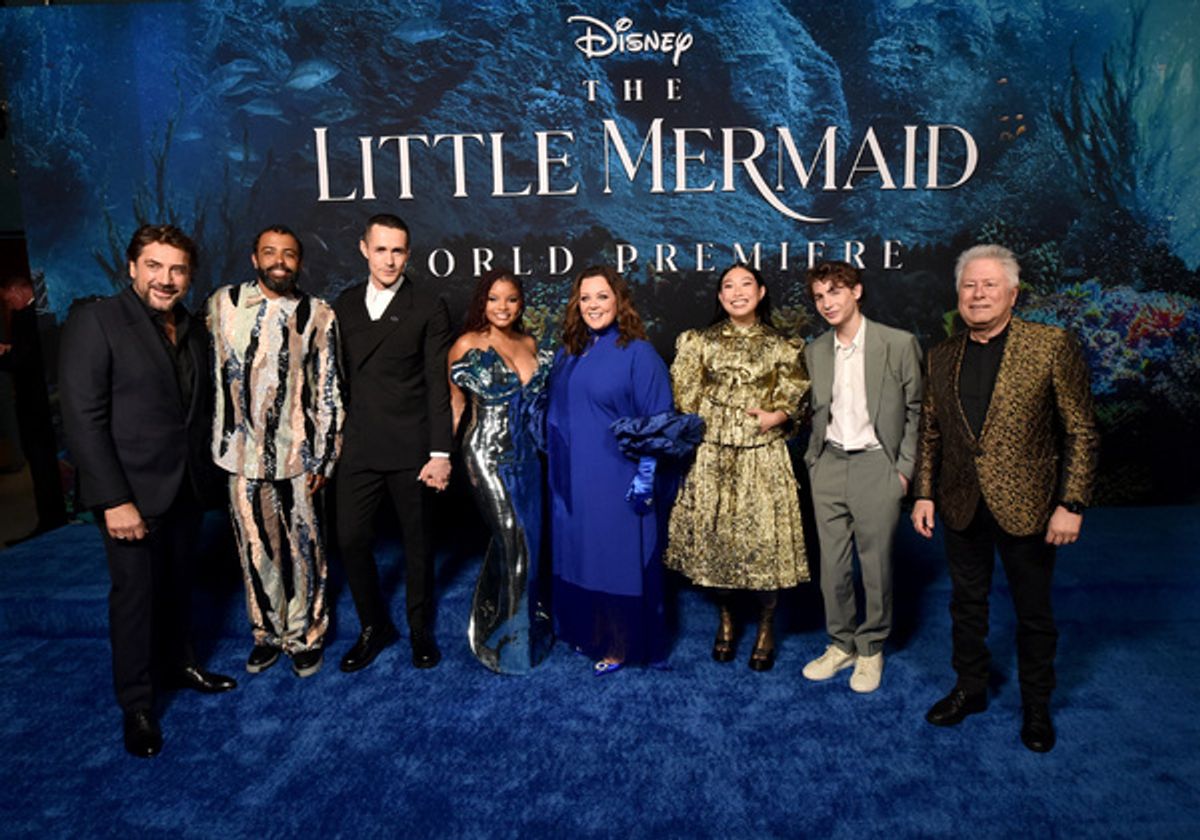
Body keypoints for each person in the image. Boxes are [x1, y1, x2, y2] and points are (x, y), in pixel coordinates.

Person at [912, 244, 1099, 753]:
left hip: (1032, 506)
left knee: (1033, 611)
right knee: (965, 605)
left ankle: (1036, 705)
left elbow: (1081, 430)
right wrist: (924, 493)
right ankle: (969, 689)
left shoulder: (1050, 345)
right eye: (970, 285)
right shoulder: (942, 354)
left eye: (989, 285)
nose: (978, 294)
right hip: (959, 501)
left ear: (1012, 293)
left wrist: (1072, 502)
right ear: (958, 294)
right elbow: (930, 431)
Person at [59, 224, 236, 758]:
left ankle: (180, 665)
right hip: (129, 493)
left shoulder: (192, 327)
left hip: (184, 487)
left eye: (177, 269)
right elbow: (82, 418)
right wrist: (113, 500)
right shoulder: (96, 321)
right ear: (132, 267)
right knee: (135, 599)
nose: (166, 278)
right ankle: (137, 704)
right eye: (154, 266)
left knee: (179, 585)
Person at [208, 225, 343, 678]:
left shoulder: (318, 313)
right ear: (254, 258)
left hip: (298, 458)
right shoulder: (221, 305)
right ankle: (266, 634)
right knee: (255, 550)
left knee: (305, 551)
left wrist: (325, 456)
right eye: (270, 252)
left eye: (288, 254)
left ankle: (305, 635)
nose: (279, 261)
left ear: (299, 262)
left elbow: (328, 390)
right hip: (240, 457)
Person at [664, 263, 810, 672]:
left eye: (746, 284)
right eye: (728, 286)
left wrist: (776, 417)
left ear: (761, 292)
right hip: (713, 454)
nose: (737, 292)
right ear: (720, 296)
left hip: (761, 455)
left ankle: (766, 624)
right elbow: (685, 399)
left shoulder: (783, 345)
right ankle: (726, 620)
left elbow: (797, 396)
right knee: (719, 544)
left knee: (764, 543)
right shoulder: (699, 342)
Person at [333, 214, 452, 672]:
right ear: (364, 248)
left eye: (398, 251)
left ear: (408, 254)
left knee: (418, 544)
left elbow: (436, 383)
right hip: (358, 446)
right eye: (381, 249)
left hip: (412, 446)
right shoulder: (342, 305)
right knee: (351, 538)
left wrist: (440, 453)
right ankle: (373, 626)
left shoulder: (427, 303)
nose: (389, 259)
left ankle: (419, 628)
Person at [546, 265, 677, 674]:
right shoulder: (569, 353)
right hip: (571, 480)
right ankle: (591, 633)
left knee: (614, 562)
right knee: (581, 558)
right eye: (585, 298)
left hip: (617, 481)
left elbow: (660, 421)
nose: (593, 305)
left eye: (602, 296)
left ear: (619, 301)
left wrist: (644, 479)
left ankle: (621, 645)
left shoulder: (639, 353)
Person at [800, 261, 923, 693]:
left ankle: (871, 649)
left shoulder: (898, 343)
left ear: (856, 292)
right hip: (830, 464)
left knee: (875, 566)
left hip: (877, 466)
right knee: (831, 567)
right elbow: (813, 412)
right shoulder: (815, 350)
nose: (826, 302)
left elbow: (917, 411)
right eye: (818, 296)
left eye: (834, 291)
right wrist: (815, 464)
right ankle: (841, 643)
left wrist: (903, 472)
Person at [448, 269, 553, 673]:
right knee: (514, 541)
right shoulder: (466, 345)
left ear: (520, 303)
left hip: (529, 458)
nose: (503, 307)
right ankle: (509, 638)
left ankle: (518, 622)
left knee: (529, 542)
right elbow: (455, 405)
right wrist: (441, 457)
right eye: (494, 299)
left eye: (510, 299)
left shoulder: (529, 342)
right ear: (482, 302)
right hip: (486, 454)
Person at [0, 274, 67, 537]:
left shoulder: (33, 318)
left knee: (44, 467)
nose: (8, 304)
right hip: (35, 406)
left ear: (19, 290)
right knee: (41, 467)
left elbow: (23, 360)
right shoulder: (26, 316)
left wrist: (5, 356)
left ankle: (50, 521)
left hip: (40, 408)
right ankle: (49, 519)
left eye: (8, 298)